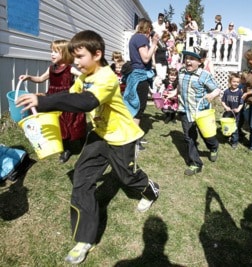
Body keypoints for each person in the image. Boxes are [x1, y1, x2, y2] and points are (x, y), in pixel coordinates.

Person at [16, 30, 160, 265]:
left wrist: (44, 102)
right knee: (82, 180)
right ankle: (84, 239)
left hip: (122, 137)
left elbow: (86, 102)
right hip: (99, 135)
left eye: (80, 57)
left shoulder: (106, 77)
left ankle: (151, 189)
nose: (75, 63)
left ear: (97, 54)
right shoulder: (84, 76)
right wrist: (43, 99)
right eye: (73, 58)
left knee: (128, 177)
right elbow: (70, 96)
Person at [19, 39, 86, 164]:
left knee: (72, 123)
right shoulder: (51, 69)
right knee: (59, 125)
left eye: (56, 51)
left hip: (66, 100)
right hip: (53, 100)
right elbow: (40, 79)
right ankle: (65, 148)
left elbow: (83, 75)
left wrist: (83, 83)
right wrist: (29, 77)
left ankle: (79, 141)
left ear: (65, 53)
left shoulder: (69, 69)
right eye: (51, 51)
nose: (52, 54)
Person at [177, 47, 221, 176]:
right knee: (189, 137)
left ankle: (213, 147)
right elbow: (179, 87)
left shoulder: (204, 75)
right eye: (186, 58)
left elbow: (217, 89)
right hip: (185, 110)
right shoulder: (181, 71)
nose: (188, 61)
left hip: (201, 113)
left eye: (192, 59)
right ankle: (196, 163)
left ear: (199, 62)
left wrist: (212, 95)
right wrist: (173, 92)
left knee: (206, 135)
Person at [124, 18, 159, 150]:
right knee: (138, 108)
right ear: (148, 29)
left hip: (135, 75)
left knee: (133, 105)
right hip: (140, 77)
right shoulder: (141, 38)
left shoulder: (135, 38)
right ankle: (133, 140)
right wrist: (154, 43)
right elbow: (145, 58)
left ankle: (132, 135)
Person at [221, 72, 244, 149]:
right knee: (227, 127)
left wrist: (238, 109)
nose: (236, 83)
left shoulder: (240, 92)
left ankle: (234, 142)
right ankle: (227, 136)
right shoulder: (226, 92)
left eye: (237, 82)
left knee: (235, 128)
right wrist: (226, 106)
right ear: (230, 81)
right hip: (227, 114)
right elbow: (223, 101)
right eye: (234, 81)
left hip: (236, 115)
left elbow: (241, 103)